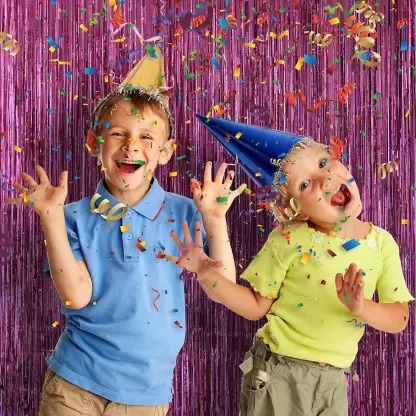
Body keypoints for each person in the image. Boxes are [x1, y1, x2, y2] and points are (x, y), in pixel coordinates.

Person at [7, 47, 245, 416]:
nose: (132, 144)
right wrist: (51, 218)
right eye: (118, 133)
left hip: (147, 395)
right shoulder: (72, 217)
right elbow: (77, 297)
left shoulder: (185, 212)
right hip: (76, 383)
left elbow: (223, 290)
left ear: (166, 152)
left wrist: (214, 220)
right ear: (94, 143)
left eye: (147, 137)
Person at [159, 117, 414, 416]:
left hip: (334, 380)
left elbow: (399, 318)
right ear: (296, 212)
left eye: (323, 162)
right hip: (279, 372)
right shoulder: (287, 238)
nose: (323, 179)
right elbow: (255, 307)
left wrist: (361, 307)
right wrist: (206, 273)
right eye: (304, 184)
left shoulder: (381, 243)